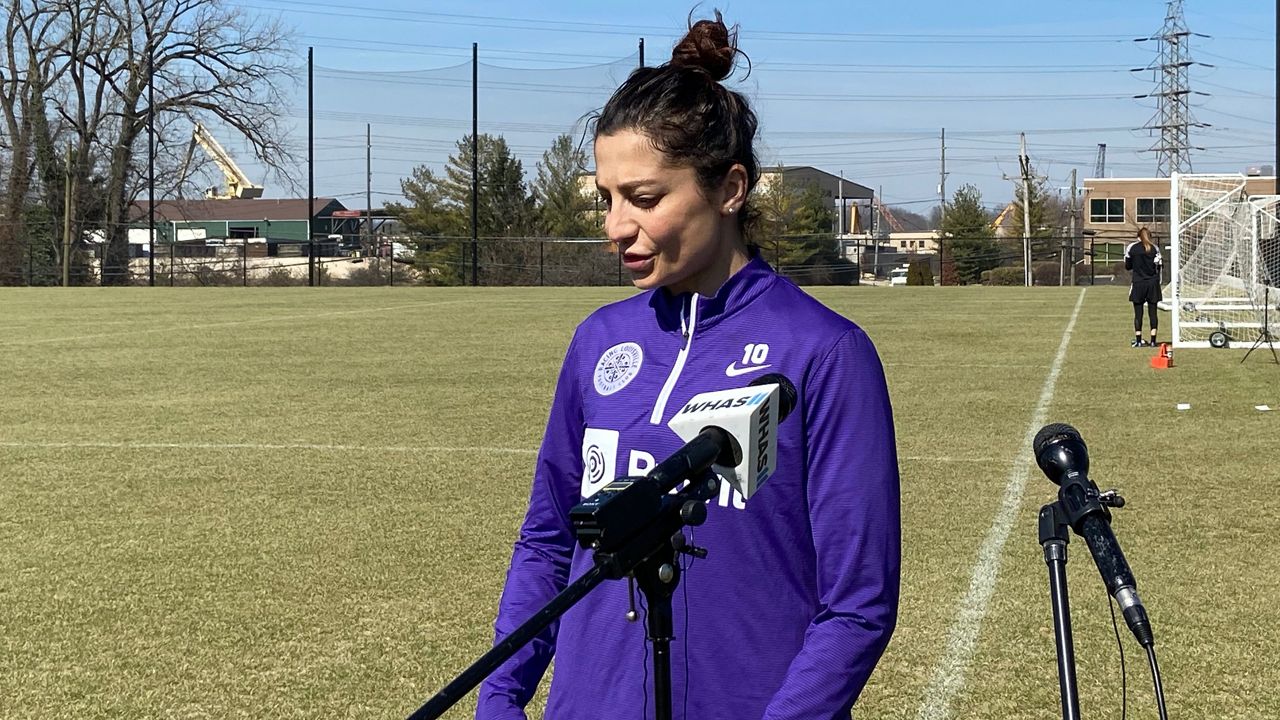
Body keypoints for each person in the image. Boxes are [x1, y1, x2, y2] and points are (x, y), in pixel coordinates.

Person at [476, 12, 900, 720]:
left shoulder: (824, 353)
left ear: (730, 189)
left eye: (644, 198)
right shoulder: (597, 341)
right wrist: (501, 695)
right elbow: (548, 540)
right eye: (606, 199)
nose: (616, 225)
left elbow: (856, 605)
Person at [1125, 227, 1163, 347]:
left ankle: (1138, 340)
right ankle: (1153, 341)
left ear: (1138, 237)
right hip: (1152, 283)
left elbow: (1128, 266)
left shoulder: (1132, 248)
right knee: (1153, 313)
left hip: (1138, 283)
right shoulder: (1155, 248)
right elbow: (1159, 266)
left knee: (1138, 313)